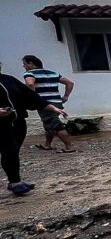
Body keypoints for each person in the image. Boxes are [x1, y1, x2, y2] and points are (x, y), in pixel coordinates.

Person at [1, 61, 68, 195]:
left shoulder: (9, 79)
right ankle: (16, 183)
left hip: (18, 121)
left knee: (12, 153)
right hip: (2, 125)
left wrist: (53, 108)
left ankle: (13, 180)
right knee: (10, 150)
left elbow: (30, 96)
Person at [22, 55, 76, 153]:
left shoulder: (29, 73)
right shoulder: (53, 73)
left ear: (30, 63)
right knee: (49, 124)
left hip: (44, 103)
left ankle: (69, 146)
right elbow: (70, 83)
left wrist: (33, 98)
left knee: (55, 124)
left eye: (24, 64)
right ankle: (47, 144)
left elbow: (30, 84)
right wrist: (65, 96)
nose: (24, 66)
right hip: (57, 102)